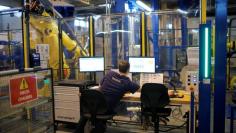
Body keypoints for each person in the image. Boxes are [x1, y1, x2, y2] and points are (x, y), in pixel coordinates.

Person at [74, 60, 140, 133]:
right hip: (106, 109)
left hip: (95, 106)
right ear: (128, 70)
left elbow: (100, 85)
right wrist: (125, 90)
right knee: (100, 113)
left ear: (118, 68)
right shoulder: (127, 82)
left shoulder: (110, 74)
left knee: (86, 112)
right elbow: (138, 88)